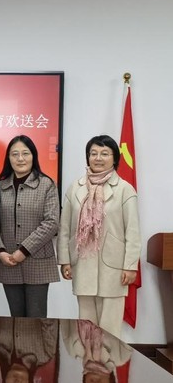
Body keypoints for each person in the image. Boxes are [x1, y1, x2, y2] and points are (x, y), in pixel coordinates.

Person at [57, 135, 141, 338]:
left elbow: (132, 231)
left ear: (115, 158)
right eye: (93, 153)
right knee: (86, 327)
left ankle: (107, 360)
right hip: (82, 262)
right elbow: (65, 227)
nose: (98, 158)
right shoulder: (75, 188)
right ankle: (88, 359)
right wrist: (65, 260)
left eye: (104, 153)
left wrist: (130, 265)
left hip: (114, 266)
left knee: (110, 330)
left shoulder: (124, 189)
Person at [0, 135, 60, 318]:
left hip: (38, 262)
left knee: (36, 318)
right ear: (8, 158)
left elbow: (51, 222)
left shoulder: (46, 184)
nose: (20, 159)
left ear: (33, 156)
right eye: (15, 154)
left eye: (25, 153)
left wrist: (24, 250)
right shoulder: (0, 186)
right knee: (16, 318)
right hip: (8, 260)